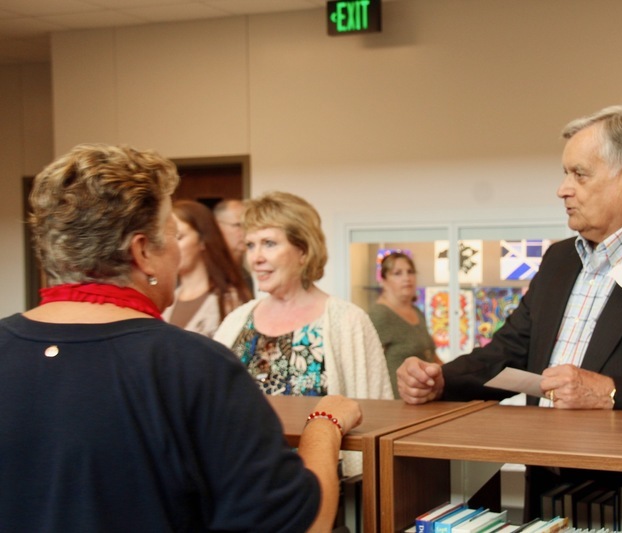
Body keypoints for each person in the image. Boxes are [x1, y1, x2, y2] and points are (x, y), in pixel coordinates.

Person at [396, 106, 622, 515]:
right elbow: (506, 354)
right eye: (565, 174)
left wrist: (610, 393)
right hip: (546, 495)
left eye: (579, 174)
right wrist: (440, 381)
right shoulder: (558, 260)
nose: (562, 189)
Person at [0, 143, 362, 532]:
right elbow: (302, 524)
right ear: (143, 253)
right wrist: (323, 424)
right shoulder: (192, 367)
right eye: (171, 234)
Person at [213, 191, 393, 472]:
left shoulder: (348, 321)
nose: (256, 257)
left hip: (317, 486)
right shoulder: (237, 320)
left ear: (303, 251)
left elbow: (378, 418)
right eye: (250, 245)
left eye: (269, 243)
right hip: (239, 481)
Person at [162, 199, 252, 337]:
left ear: (202, 240)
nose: (170, 247)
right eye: (166, 239)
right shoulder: (166, 300)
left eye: (178, 237)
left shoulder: (229, 300)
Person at [369, 252, 441, 397]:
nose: (406, 278)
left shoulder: (416, 311)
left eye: (410, 272)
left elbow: (431, 356)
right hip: (396, 405)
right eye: (397, 273)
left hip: (426, 400)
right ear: (383, 280)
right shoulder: (380, 315)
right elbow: (370, 369)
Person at [214, 198, 255, 295]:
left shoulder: (245, 275)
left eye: (249, 225)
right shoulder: (210, 272)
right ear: (217, 227)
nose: (246, 231)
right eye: (238, 225)